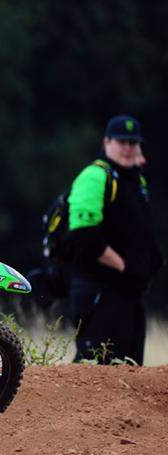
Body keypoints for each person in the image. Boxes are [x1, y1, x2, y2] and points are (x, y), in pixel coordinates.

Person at [66, 115, 163, 364]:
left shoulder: (134, 180)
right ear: (107, 142)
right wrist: (123, 267)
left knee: (130, 368)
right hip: (99, 291)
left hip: (129, 293)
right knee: (95, 365)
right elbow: (84, 233)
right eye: (122, 142)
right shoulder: (95, 176)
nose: (128, 148)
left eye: (133, 142)